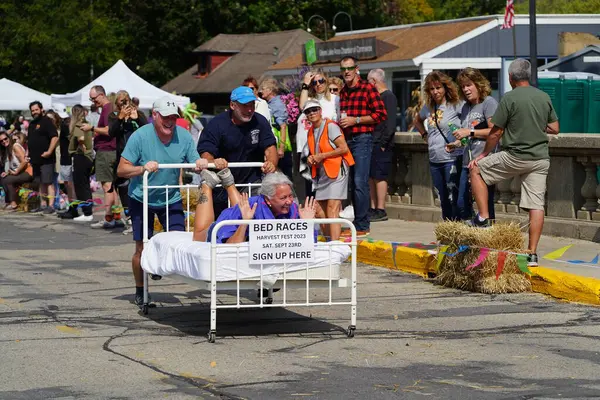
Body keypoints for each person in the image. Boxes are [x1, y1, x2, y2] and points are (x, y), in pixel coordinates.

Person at [117, 97, 209, 307]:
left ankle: (156, 265)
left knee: (180, 241)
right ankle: (140, 289)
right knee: (142, 246)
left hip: (170, 197)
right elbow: (121, 170)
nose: (170, 122)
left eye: (174, 118)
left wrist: (200, 162)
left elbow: (194, 159)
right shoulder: (140, 136)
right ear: (155, 116)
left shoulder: (184, 136)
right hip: (142, 196)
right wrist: (142, 168)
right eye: (166, 118)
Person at [469, 59, 559, 267]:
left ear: (510, 78)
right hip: (539, 159)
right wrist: (535, 126)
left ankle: (483, 218)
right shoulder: (543, 96)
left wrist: (483, 154)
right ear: (527, 76)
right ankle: (532, 254)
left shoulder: (509, 98)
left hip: (515, 156)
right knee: (536, 205)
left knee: (477, 170)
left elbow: (496, 132)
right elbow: (554, 128)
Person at [197, 86, 278, 217]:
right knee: (223, 224)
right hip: (221, 185)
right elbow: (206, 152)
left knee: (256, 217)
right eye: (245, 106)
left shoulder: (260, 121)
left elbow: (270, 147)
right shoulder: (216, 124)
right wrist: (213, 161)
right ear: (232, 105)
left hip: (251, 183)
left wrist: (271, 163)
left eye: (252, 105)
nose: (250, 109)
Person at [192, 170, 316, 243]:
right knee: (199, 235)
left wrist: (307, 224)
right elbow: (229, 245)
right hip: (231, 221)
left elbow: (306, 244)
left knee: (245, 208)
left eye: (290, 196)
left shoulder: (292, 208)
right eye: (283, 198)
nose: (289, 201)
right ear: (268, 200)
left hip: (247, 210)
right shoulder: (253, 206)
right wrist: (245, 222)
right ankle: (206, 184)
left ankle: (229, 183)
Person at [338, 56, 387, 236]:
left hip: (362, 138)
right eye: (344, 69)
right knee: (351, 183)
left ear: (356, 69)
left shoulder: (367, 88)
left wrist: (356, 120)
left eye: (350, 68)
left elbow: (381, 114)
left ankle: (362, 225)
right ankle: (357, 223)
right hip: (347, 140)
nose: (347, 72)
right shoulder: (343, 92)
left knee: (360, 181)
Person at [446, 68, 498, 221]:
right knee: (462, 203)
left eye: (469, 85)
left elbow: (494, 131)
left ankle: (489, 234)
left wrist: (469, 132)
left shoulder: (488, 102)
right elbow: (467, 136)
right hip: (467, 162)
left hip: (484, 160)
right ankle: (472, 235)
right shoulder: (466, 107)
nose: (466, 89)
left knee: (486, 203)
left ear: (478, 84)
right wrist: (456, 143)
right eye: (463, 86)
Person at [414, 71, 463, 221]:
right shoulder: (429, 107)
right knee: (442, 198)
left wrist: (458, 141)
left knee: (453, 197)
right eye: (431, 89)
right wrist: (424, 135)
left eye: (438, 87)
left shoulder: (456, 105)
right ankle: (447, 230)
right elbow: (417, 120)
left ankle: (458, 229)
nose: (435, 92)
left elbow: (467, 127)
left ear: (445, 87)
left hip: (452, 158)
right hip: (435, 159)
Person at [304, 100, 354, 241]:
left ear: (320, 111)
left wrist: (321, 156)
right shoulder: (310, 131)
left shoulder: (331, 126)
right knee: (319, 210)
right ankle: (329, 242)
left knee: (332, 208)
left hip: (338, 170)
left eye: (314, 110)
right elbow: (316, 152)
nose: (311, 113)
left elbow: (344, 148)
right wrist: (311, 158)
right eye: (308, 111)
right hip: (323, 172)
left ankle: (335, 245)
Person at [82, 85, 121, 229]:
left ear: (101, 95)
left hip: (106, 151)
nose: (93, 102)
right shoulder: (109, 108)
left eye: (94, 98)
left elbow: (109, 130)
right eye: (91, 99)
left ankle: (109, 218)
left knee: (107, 186)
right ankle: (115, 217)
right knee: (112, 187)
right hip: (109, 150)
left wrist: (91, 128)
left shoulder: (107, 108)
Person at [109, 90, 148, 232]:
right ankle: (130, 217)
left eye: (126, 100)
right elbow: (111, 133)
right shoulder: (113, 116)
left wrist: (136, 118)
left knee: (139, 185)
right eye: (121, 101)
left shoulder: (138, 113)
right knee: (123, 186)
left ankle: (140, 217)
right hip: (123, 155)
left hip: (139, 155)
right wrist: (120, 118)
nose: (124, 103)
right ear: (116, 103)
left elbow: (148, 129)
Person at [297, 69, 341, 198]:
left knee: (327, 184)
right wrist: (305, 83)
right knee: (310, 184)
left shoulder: (335, 99)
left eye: (321, 81)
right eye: (314, 82)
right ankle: (313, 214)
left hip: (327, 146)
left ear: (326, 81)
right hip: (308, 146)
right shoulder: (311, 99)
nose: (318, 84)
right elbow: (302, 106)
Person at [367, 69, 398, 222]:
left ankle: (381, 208)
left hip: (382, 143)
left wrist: (384, 143)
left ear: (374, 81)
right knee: (371, 177)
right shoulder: (375, 98)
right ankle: (372, 208)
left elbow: (391, 123)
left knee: (380, 176)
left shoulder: (388, 97)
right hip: (372, 141)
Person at [27, 101, 59, 214]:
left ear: (41, 109)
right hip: (35, 159)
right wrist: (27, 153)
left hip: (46, 158)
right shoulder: (31, 124)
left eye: (36, 109)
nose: (34, 112)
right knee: (40, 182)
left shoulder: (46, 122)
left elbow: (55, 137)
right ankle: (43, 204)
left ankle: (51, 206)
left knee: (48, 182)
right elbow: (29, 140)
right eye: (32, 110)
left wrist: (49, 151)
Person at [259, 78, 292, 181]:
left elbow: (283, 126)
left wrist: (281, 147)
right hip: (275, 146)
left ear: (270, 90)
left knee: (283, 176)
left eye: (263, 89)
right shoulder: (269, 103)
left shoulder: (276, 104)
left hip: (280, 147)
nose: (261, 91)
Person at [68, 105, 95, 222]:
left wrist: (83, 147)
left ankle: (87, 212)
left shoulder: (79, 125)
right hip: (87, 157)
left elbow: (81, 138)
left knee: (81, 186)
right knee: (85, 186)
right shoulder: (86, 123)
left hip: (81, 157)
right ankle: (87, 211)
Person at [1, 131, 33, 210]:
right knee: (3, 177)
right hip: (21, 172)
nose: (4, 141)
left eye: (5, 139)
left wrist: (16, 172)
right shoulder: (8, 150)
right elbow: (14, 166)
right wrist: (7, 172)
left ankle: (13, 203)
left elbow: (24, 161)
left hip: (28, 171)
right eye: (1, 141)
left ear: (9, 138)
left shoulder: (15, 146)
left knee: (8, 180)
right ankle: (9, 202)